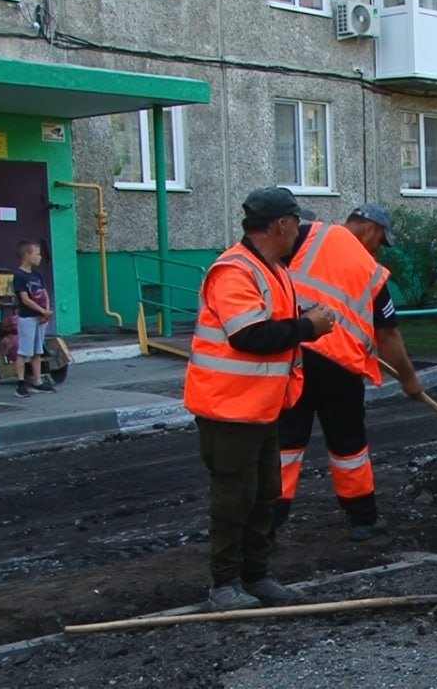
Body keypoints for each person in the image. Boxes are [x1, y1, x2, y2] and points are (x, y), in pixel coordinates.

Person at [182, 187, 336, 612]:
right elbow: (249, 335)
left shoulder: (270, 269)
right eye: (296, 223)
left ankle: (255, 576)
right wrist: (308, 327)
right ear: (280, 225)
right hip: (227, 408)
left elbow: (277, 318)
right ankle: (225, 585)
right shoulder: (234, 270)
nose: (299, 231)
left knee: (264, 491)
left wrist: (310, 317)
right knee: (235, 497)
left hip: (259, 407)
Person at [275, 203, 424, 543]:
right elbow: (388, 335)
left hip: (291, 357)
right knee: (349, 446)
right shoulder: (371, 272)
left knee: (285, 443)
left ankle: (268, 520)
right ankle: (363, 520)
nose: (377, 249)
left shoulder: (305, 234)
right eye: (380, 241)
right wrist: (409, 378)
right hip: (338, 370)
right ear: (369, 229)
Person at [12, 241, 55, 397]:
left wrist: (46, 311)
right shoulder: (19, 276)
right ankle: (21, 384)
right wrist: (42, 311)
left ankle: (37, 381)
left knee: (38, 351)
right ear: (27, 255)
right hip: (28, 318)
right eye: (37, 254)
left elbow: (44, 294)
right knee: (24, 352)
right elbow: (25, 299)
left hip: (40, 319)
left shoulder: (37, 275)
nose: (40, 257)